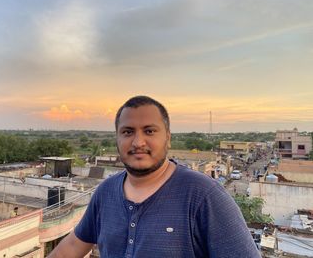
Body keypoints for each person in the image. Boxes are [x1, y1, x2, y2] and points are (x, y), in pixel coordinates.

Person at [48, 96, 260, 258]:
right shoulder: (106, 192)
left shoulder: (203, 195)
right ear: (117, 139)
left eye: (149, 131)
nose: (138, 142)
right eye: (128, 132)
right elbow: (74, 245)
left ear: (167, 138)